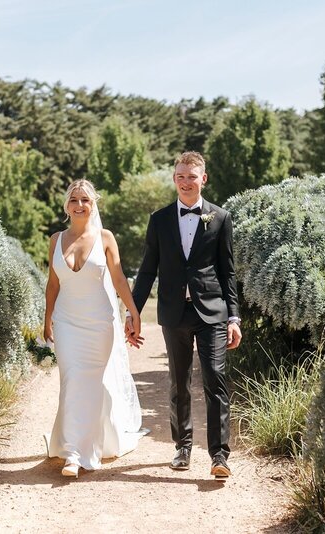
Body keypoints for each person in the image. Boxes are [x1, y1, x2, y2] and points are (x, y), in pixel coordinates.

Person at [126, 151, 242, 479]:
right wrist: (133, 312)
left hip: (212, 312)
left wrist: (234, 318)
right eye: (180, 176)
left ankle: (219, 455)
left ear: (203, 179)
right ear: (174, 178)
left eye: (192, 176)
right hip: (173, 312)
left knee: (215, 378)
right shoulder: (159, 219)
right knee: (179, 382)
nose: (185, 182)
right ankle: (183, 447)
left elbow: (228, 271)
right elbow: (147, 270)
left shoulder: (220, 217)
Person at [43, 179, 147, 478]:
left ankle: (79, 451)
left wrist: (133, 312)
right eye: (74, 200)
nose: (79, 205)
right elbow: (52, 284)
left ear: (93, 204)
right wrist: (47, 319)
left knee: (88, 383)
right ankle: (73, 453)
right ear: (66, 205)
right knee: (71, 381)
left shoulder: (105, 238)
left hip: (99, 323)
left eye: (85, 200)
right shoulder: (55, 240)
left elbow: (119, 279)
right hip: (66, 322)